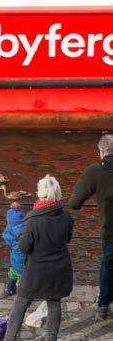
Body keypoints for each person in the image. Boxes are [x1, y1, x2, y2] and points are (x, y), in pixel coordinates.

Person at [0, 174, 74, 341]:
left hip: (35, 270)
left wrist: (20, 235)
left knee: (21, 304)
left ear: (40, 194)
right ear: (57, 193)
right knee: (54, 303)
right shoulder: (67, 217)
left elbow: (24, 248)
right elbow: (67, 239)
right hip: (59, 268)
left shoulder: (32, 220)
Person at [69, 134, 113, 321]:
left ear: (101, 151)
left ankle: (103, 305)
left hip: (110, 231)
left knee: (108, 264)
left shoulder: (95, 171)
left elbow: (74, 203)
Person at [2, 201, 26, 296]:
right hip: (26, 260)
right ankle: (23, 293)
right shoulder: (27, 227)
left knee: (12, 273)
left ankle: (9, 290)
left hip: (15, 259)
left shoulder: (9, 231)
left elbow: (7, 240)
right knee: (23, 277)